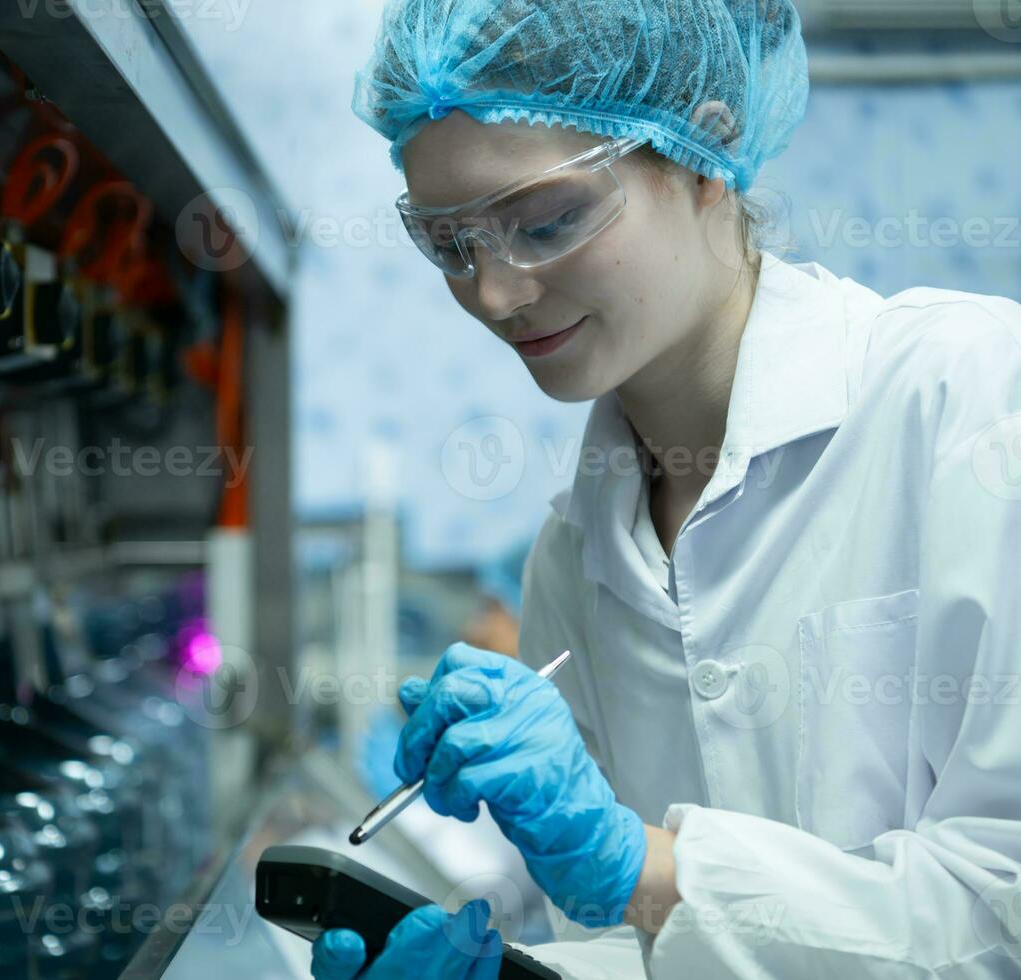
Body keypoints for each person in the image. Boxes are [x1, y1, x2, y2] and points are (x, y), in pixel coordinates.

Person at [315, 0, 1021, 976]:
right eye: (450, 245)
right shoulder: (572, 558)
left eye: (546, 220)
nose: (496, 294)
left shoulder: (970, 398)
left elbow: (1004, 911)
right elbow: (643, 951)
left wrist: (644, 868)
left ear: (706, 147)